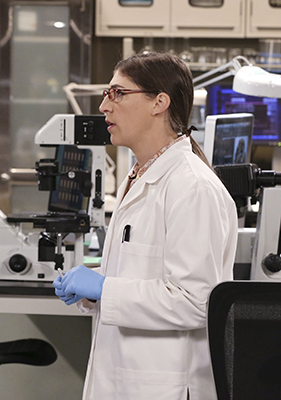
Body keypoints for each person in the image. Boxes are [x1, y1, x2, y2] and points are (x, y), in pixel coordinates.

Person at [53, 52, 237, 400]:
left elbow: (194, 301)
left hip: (166, 386)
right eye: (107, 94)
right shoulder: (141, 175)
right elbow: (144, 272)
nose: (104, 106)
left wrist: (105, 288)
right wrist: (95, 286)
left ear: (159, 103)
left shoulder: (192, 186)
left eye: (118, 93)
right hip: (126, 378)